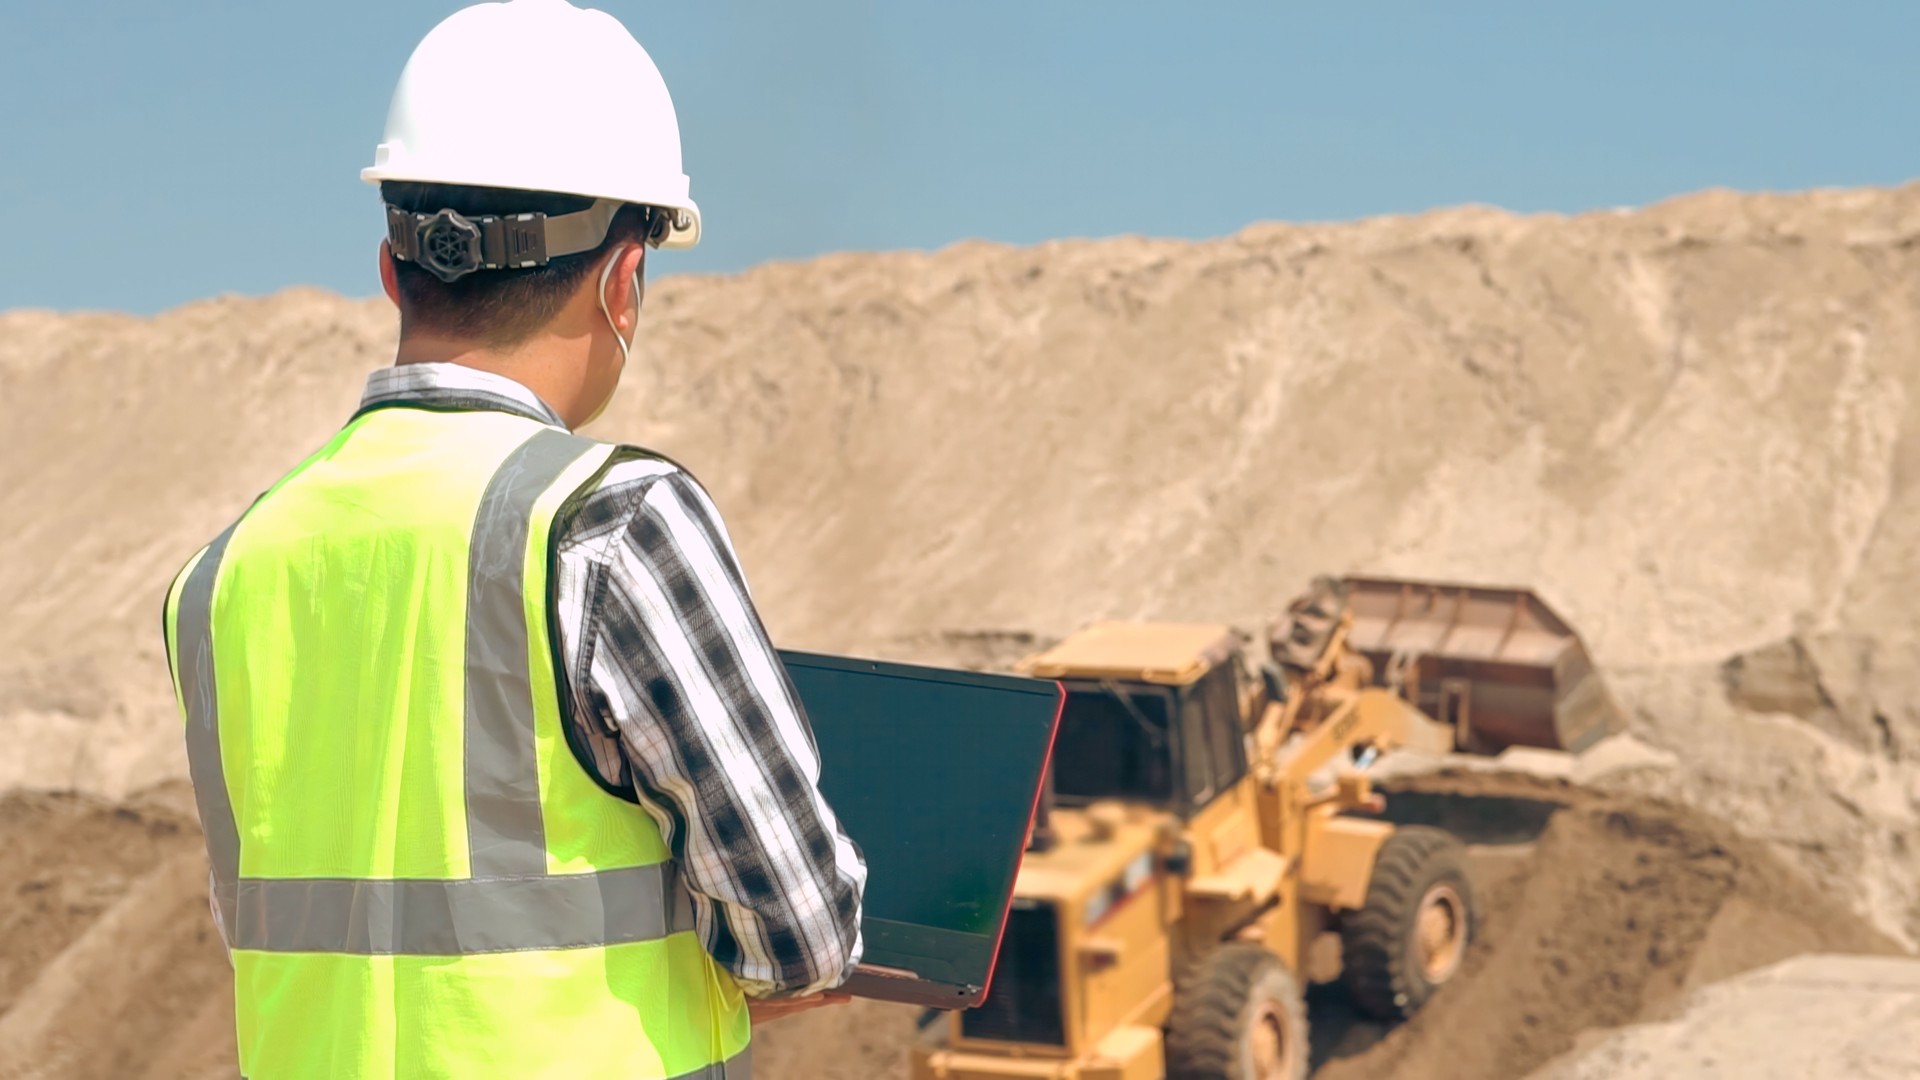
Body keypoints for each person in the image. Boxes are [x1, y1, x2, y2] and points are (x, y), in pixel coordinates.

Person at [160, 2, 866, 1076]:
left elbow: (279, 933)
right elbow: (801, 935)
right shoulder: (609, 523)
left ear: (395, 271)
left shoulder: (224, 573)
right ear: (624, 280)